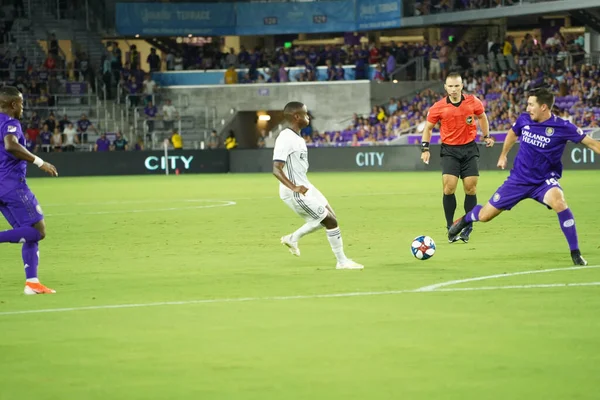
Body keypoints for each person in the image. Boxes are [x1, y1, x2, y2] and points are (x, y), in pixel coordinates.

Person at [448, 88, 600, 265]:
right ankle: (465, 219)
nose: (528, 108)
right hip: (518, 181)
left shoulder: (563, 127)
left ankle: (575, 253)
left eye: (531, 104)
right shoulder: (524, 120)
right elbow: (513, 133)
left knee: (560, 202)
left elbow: (594, 145)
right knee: (484, 216)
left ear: (543, 107)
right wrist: (503, 154)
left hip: (543, 182)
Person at [272, 101, 363, 270]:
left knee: (330, 216)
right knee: (330, 221)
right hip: (295, 191)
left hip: (306, 186)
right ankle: (342, 262)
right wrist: (294, 188)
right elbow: (276, 169)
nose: (309, 117)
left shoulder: (297, 137)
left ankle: (293, 238)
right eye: (306, 114)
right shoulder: (285, 137)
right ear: (296, 116)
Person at [421, 72, 494, 243]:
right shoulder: (438, 107)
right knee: (449, 188)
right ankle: (450, 227)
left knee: (471, 188)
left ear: (462, 86)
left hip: (469, 149)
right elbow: (428, 128)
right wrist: (425, 148)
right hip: (449, 151)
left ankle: (467, 227)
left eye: (457, 86)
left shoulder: (473, 101)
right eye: (450, 86)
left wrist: (486, 136)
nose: (454, 89)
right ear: (445, 87)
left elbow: (482, 117)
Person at [0, 86, 58, 295]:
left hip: (2, 185)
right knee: (38, 230)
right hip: (12, 185)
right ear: (14, 104)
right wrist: (39, 161)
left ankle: (32, 283)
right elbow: (11, 146)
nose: (23, 107)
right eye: (22, 103)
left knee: (28, 233)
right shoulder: (10, 123)